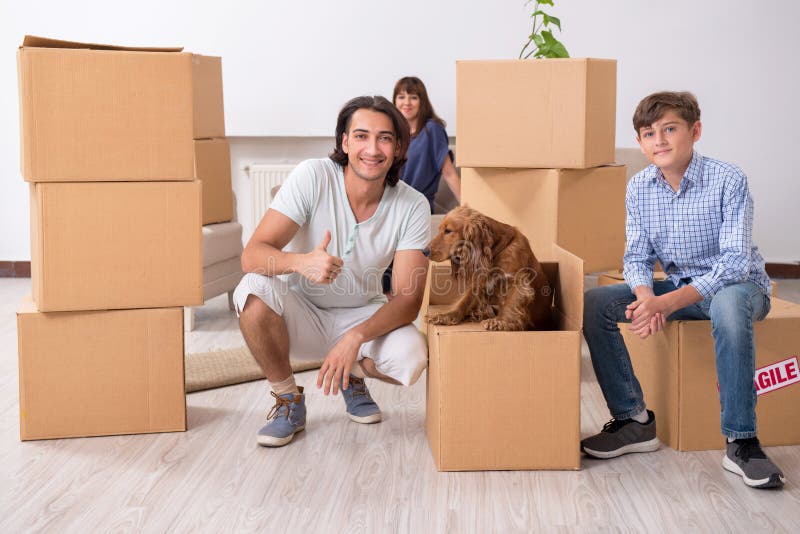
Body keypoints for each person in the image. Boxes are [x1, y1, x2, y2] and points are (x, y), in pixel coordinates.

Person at [580, 91, 785, 489]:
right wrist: (646, 300)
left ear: (695, 131)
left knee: (726, 304)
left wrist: (666, 302)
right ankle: (633, 420)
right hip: (675, 286)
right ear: (640, 143)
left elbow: (734, 262)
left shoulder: (729, 179)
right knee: (596, 303)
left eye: (669, 129)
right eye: (648, 133)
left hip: (739, 288)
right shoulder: (639, 187)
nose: (659, 140)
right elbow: (636, 257)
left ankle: (742, 442)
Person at [234, 95, 431, 447]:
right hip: (303, 313)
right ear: (344, 141)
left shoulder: (412, 204)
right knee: (251, 289)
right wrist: (301, 262)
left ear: (399, 147)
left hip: (364, 316)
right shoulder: (313, 176)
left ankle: (353, 373)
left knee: (412, 358)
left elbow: (408, 299)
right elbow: (252, 255)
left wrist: (355, 338)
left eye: (385, 138)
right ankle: (287, 399)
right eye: (361, 136)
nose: (372, 148)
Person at [393, 76, 461, 212]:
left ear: (422, 101)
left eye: (413, 97)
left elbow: (449, 173)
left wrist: (471, 209)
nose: (406, 103)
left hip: (417, 206)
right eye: (401, 97)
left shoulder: (432, 130)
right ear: (394, 101)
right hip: (390, 205)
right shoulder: (390, 131)